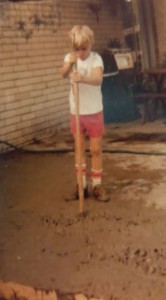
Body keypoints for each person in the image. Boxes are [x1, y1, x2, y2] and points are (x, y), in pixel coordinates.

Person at [61, 25, 110, 202]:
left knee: (95, 149)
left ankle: (96, 185)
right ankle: (81, 185)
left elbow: (98, 79)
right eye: (77, 49)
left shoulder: (96, 59)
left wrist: (82, 78)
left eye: (84, 48)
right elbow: (62, 73)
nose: (80, 53)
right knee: (79, 149)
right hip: (77, 111)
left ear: (90, 44)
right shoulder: (71, 58)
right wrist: (69, 65)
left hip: (94, 111)